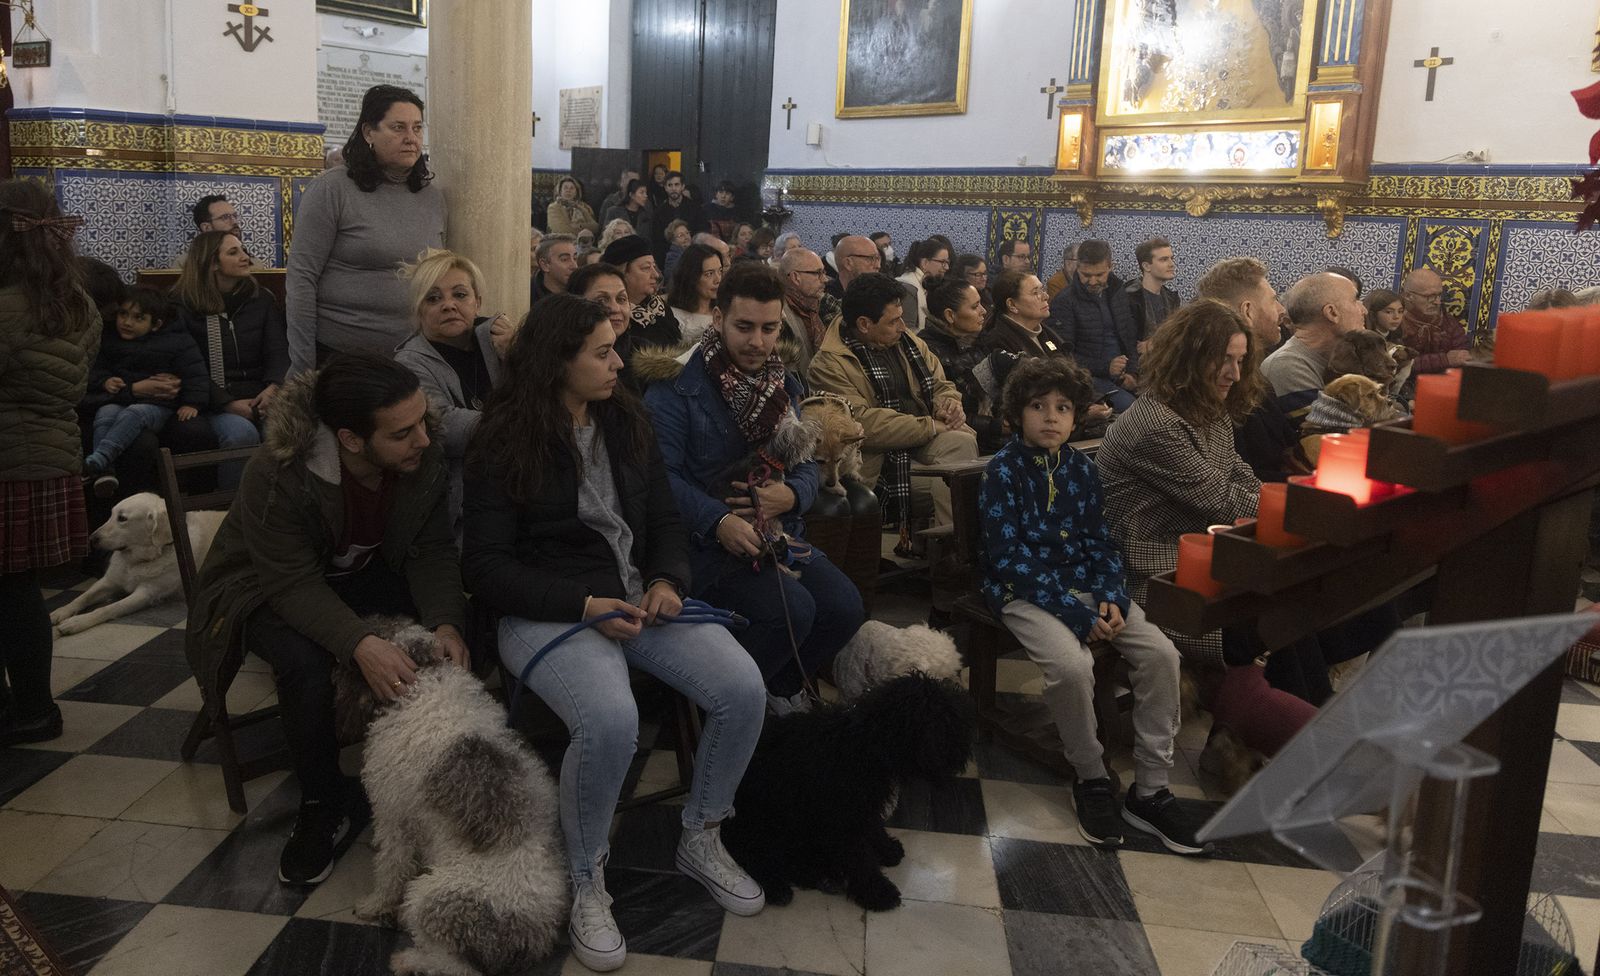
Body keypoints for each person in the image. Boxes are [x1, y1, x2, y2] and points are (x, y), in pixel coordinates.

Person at [464, 294, 767, 971]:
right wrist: (583, 604)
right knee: (609, 718)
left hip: (634, 598)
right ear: (557, 362)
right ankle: (585, 878)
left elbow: (663, 521)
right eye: (602, 353)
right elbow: (484, 568)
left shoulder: (625, 418)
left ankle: (702, 834)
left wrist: (667, 581)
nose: (617, 363)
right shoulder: (503, 438)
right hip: (546, 610)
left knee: (743, 687)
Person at [187, 353, 468, 885]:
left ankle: (429, 773)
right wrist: (359, 642)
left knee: (452, 627)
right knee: (305, 662)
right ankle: (321, 802)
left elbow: (429, 550)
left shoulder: (419, 454)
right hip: (255, 585)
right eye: (402, 433)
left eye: (422, 422)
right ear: (350, 440)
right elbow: (290, 583)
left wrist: (447, 622)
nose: (425, 440)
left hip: (354, 571)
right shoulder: (279, 472)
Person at [979, 356, 1205, 854]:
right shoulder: (1003, 471)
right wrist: (1075, 613)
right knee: (1071, 667)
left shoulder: (1082, 468)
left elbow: (1100, 541)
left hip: (1089, 588)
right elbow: (1007, 557)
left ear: (1077, 416)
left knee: (1162, 656)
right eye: (1038, 406)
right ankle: (1090, 776)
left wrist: (1110, 596)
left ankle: (1151, 789)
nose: (1051, 417)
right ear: (1016, 413)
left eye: (1063, 408)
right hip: (1024, 594)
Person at [1094, 301, 1318, 763]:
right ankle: (1295, 744)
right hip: (1150, 574)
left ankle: (1285, 734)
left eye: (1241, 360)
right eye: (1225, 360)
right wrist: (1300, 512)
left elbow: (1240, 478)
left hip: (1197, 558)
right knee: (1261, 626)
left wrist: (1289, 507)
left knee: (1292, 618)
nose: (1235, 374)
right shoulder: (1155, 425)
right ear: (1190, 358)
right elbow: (1220, 498)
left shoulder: (1207, 411)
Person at [645, 262, 865, 714]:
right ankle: (722, 707)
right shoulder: (676, 387)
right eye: (744, 327)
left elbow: (804, 460)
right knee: (792, 610)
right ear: (718, 318)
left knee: (845, 607)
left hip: (775, 534)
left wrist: (794, 494)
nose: (758, 342)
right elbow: (660, 478)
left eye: (769, 328)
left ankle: (772, 689)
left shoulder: (781, 381)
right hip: (702, 545)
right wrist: (718, 520)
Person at [0, 179, 99, 747]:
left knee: (10, 595)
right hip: (52, 456)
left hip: (9, 463)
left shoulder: (6, 306)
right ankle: (32, 706)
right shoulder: (77, 300)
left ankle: (30, 710)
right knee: (18, 593)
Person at [286, 85, 445, 375]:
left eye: (417, 128)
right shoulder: (331, 189)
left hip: (414, 355)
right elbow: (301, 279)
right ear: (369, 132)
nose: (411, 138)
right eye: (398, 127)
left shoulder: (432, 197)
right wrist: (303, 364)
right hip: (343, 355)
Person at [808, 273, 977, 529]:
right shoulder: (828, 364)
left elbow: (941, 383)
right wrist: (930, 426)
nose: (902, 327)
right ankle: (952, 542)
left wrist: (949, 404)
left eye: (901, 317)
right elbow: (860, 424)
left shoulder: (908, 341)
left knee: (962, 445)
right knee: (958, 477)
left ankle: (952, 541)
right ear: (864, 324)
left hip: (921, 442)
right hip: (874, 461)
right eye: (893, 321)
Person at [394, 250, 506, 538]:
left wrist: (519, 353)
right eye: (433, 298)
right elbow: (443, 426)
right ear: (419, 311)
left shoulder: (497, 341)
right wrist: (518, 425)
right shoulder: (410, 362)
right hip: (459, 501)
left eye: (460, 295)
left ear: (477, 301)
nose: (448, 305)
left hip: (514, 481)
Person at [170, 230, 284, 478]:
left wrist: (273, 387)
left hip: (261, 395)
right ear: (212, 263)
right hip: (211, 400)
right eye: (234, 252)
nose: (246, 257)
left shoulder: (261, 299)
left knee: (287, 432)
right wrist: (226, 403)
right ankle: (233, 502)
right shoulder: (183, 306)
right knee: (241, 434)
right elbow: (185, 366)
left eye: (243, 250)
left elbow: (278, 350)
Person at [82, 287, 212, 496]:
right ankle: (105, 473)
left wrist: (193, 402)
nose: (127, 322)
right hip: (121, 399)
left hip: (158, 406)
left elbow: (195, 373)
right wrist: (105, 381)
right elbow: (96, 369)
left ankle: (101, 458)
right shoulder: (110, 338)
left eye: (138, 318)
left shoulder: (177, 342)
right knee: (105, 413)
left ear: (156, 324)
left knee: (134, 413)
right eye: (123, 314)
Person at [1195, 257, 1307, 483]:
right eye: (1274, 300)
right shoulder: (1221, 385)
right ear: (1247, 311)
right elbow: (1241, 477)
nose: (1281, 310)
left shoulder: (1254, 375)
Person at [921, 275, 1016, 453]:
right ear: (950, 315)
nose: (983, 311)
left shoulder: (979, 341)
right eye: (974, 307)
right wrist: (995, 426)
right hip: (969, 441)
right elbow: (947, 414)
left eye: (980, 304)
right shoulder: (929, 352)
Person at [1260, 272, 1368, 420]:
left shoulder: (1336, 359)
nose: (1364, 311)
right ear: (1332, 313)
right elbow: (1333, 426)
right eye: (1355, 300)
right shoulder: (1286, 366)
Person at [1049, 239, 1141, 412]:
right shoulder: (1064, 301)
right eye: (1086, 275)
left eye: (1099, 275)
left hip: (1122, 375)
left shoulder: (1118, 292)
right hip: (1087, 379)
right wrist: (1106, 367)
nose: (1092, 281)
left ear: (1110, 267)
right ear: (1077, 268)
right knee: (1133, 410)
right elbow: (1061, 356)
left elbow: (1129, 337)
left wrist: (1132, 373)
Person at [569, 262, 638, 391]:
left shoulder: (649, 356)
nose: (615, 308)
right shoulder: (566, 361)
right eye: (601, 300)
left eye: (621, 299)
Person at [603, 235, 679, 352]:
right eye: (646, 268)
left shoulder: (660, 308)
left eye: (654, 266)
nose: (656, 275)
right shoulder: (614, 316)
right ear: (622, 273)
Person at [1398, 267, 1469, 374]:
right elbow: (1393, 364)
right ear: (1408, 296)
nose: (1437, 302)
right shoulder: (1393, 321)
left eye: (1439, 295)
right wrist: (1444, 360)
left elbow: (1461, 357)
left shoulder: (1448, 323)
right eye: (1429, 296)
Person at [777, 246, 831, 372]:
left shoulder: (818, 305)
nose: (825, 279)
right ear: (795, 277)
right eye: (817, 273)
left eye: (824, 272)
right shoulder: (779, 315)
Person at [1126, 237, 1180, 351]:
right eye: (1164, 259)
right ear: (1146, 266)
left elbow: (1177, 336)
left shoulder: (1172, 298)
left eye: (1172, 258)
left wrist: (1156, 343)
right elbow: (1127, 342)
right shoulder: (1130, 298)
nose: (1172, 264)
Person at [666, 243, 725, 346]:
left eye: (720, 271)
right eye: (709, 274)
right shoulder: (673, 317)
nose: (718, 279)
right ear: (692, 277)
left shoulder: (725, 311)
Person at [895, 239, 951, 334]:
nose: (946, 267)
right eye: (943, 262)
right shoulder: (909, 289)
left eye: (947, 262)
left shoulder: (928, 284)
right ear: (925, 263)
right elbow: (906, 331)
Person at [652, 171, 705, 264]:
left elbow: (701, 233)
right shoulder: (658, 213)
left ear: (682, 186)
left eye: (676, 185)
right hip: (667, 258)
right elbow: (657, 241)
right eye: (670, 185)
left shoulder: (695, 208)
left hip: (693, 256)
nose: (673, 188)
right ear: (665, 188)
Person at [530, 233, 580, 304]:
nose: (574, 266)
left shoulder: (584, 292)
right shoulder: (527, 297)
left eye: (575, 258)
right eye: (564, 259)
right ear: (545, 265)